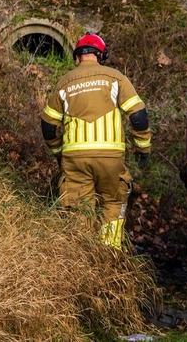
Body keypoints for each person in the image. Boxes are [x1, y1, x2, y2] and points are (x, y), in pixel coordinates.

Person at [42, 33, 153, 250]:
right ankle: (108, 255)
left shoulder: (64, 83)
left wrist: (58, 154)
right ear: (100, 56)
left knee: (79, 210)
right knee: (112, 203)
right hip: (110, 159)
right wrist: (143, 147)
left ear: (77, 58)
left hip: (75, 160)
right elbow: (138, 116)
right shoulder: (115, 77)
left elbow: (48, 126)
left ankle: (82, 259)